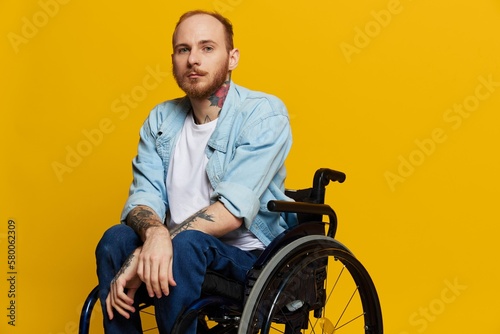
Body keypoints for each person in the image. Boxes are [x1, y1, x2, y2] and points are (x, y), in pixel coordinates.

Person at [95, 9, 295, 334]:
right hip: (178, 249)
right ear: (173, 58)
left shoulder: (263, 115)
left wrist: (164, 243)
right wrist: (156, 236)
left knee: (188, 244)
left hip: (247, 257)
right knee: (115, 240)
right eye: (183, 49)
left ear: (232, 58)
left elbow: (231, 210)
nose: (193, 60)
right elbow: (143, 199)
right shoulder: (161, 120)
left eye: (207, 47)